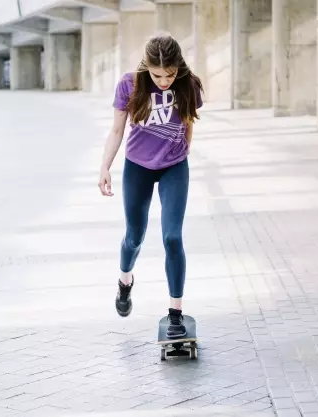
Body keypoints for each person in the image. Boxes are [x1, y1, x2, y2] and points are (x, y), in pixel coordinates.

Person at [98, 33, 203, 339]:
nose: (164, 81)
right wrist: (104, 166)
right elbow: (117, 129)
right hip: (137, 167)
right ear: (146, 67)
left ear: (178, 68)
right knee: (134, 237)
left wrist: (180, 155)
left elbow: (188, 125)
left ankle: (175, 313)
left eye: (170, 74)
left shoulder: (189, 85)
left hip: (174, 167)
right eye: (157, 75)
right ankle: (125, 281)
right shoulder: (130, 85)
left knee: (172, 237)